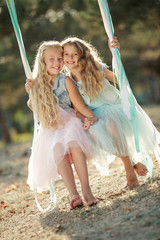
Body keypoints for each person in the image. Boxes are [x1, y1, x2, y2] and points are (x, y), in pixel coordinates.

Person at [60, 36, 160, 187]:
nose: (70, 58)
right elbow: (77, 108)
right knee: (94, 135)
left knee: (112, 126)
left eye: (75, 54)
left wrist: (116, 56)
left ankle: (130, 174)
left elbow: (119, 79)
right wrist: (85, 119)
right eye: (66, 54)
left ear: (83, 55)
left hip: (114, 107)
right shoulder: (68, 81)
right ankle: (132, 162)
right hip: (93, 114)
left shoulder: (95, 68)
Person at [26, 40, 99, 211]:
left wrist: (92, 117)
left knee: (74, 143)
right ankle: (74, 195)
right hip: (51, 127)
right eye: (51, 59)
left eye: (59, 59)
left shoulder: (65, 80)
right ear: (42, 62)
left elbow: (79, 107)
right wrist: (30, 92)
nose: (57, 63)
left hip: (69, 122)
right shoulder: (37, 83)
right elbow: (33, 107)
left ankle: (87, 190)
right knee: (56, 149)